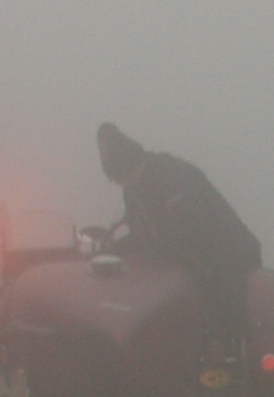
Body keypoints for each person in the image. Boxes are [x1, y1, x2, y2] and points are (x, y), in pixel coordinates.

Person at [93, 123, 262, 338]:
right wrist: (113, 251)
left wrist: (143, 252)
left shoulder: (173, 178)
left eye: (122, 178)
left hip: (228, 262)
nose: (121, 184)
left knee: (217, 338)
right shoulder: (133, 190)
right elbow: (141, 233)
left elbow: (183, 235)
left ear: (133, 163)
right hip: (194, 267)